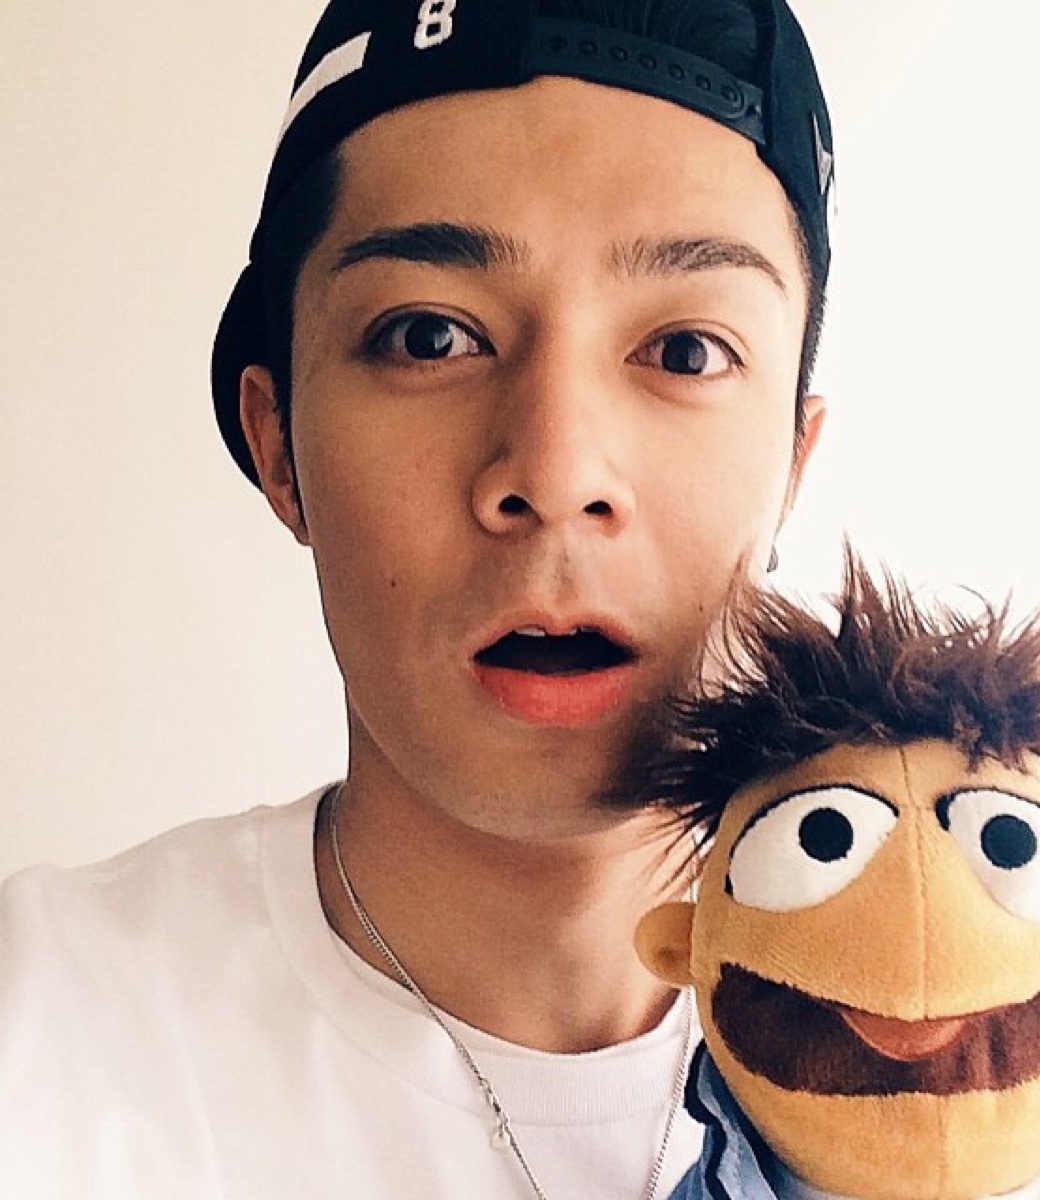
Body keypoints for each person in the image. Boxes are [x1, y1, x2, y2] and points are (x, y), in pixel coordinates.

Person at [0, 1, 833, 1197]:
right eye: (429, 337)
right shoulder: (39, 1031)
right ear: (278, 445)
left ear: (792, 464)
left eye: (686, 352)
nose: (555, 473)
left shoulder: (989, 1067)